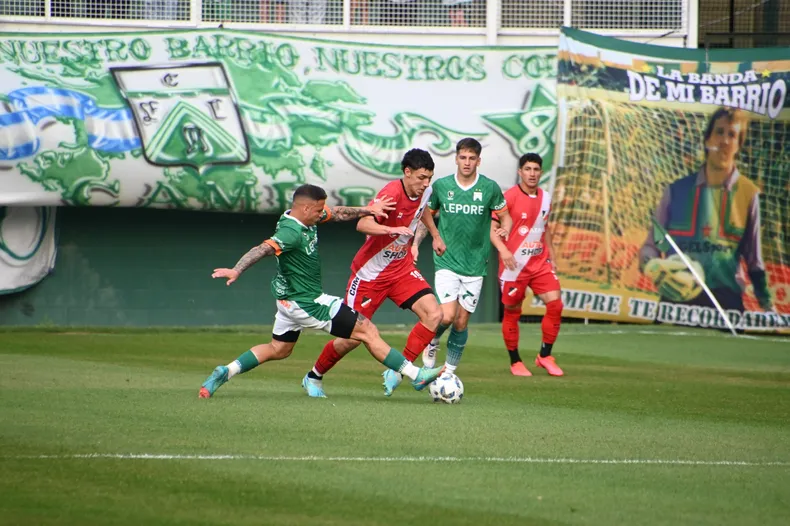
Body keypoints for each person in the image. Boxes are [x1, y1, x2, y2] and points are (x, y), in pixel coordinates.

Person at [199, 184, 445, 399]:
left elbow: (337, 213)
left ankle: (225, 371)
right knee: (367, 330)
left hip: (286, 302)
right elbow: (262, 248)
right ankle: (415, 374)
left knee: (279, 349)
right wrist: (237, 269)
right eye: (318, 211)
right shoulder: (290, 232)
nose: (321, 215)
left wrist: (369, 210)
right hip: (308, 302)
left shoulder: (303, 217)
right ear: (305, 209)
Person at [302, 149, 447, 397]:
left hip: (401, 269)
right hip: (370, 275)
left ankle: (398, 370)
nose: (426, 183)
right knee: (351, 338)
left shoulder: (426, 192)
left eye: (429, 178)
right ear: (407, 172)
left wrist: (434, 235)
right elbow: (362, 223)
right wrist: (391, 229)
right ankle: (313, 376)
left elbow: (423, 210)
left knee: (434, 314)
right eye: (422, 177)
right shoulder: (391, 193)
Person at [639, 107, 773, 313]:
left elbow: (754, 260)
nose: (725, 141)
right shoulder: (676, 190)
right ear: (707, 139)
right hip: (675, 299)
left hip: (725, 303)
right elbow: (651, 246)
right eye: (719, 132)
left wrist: (768, 306)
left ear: (739, 145)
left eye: (732, 135)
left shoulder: (749, 194)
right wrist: (652, 265)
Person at [412, 137, 512, 377]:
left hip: (476, 264)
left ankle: (449, 372)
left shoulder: (489, 188)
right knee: (446, 315)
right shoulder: (442, 186)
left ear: (479, 161)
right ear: (456, 159)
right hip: (447, 260)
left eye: (472, 158)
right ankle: (433, 340)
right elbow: (426, 214)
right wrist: (419, 242)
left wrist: (505, 227)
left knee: (461, 322)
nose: (467, 162)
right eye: (463, 157)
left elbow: (505, 215)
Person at [489, 153, 564, 377]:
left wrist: (554, 256)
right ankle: (515, 361)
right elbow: (491, 228)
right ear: (520, 172)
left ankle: (545, 356)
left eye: (536, 170)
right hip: (514, 267)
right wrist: (503, 251)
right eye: (528, 169)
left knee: (556, 304)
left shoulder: (546, 198)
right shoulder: (508, 197)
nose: (532, 174)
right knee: (512, 311)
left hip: (540, 263)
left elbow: (545, 228)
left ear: (541, 172)